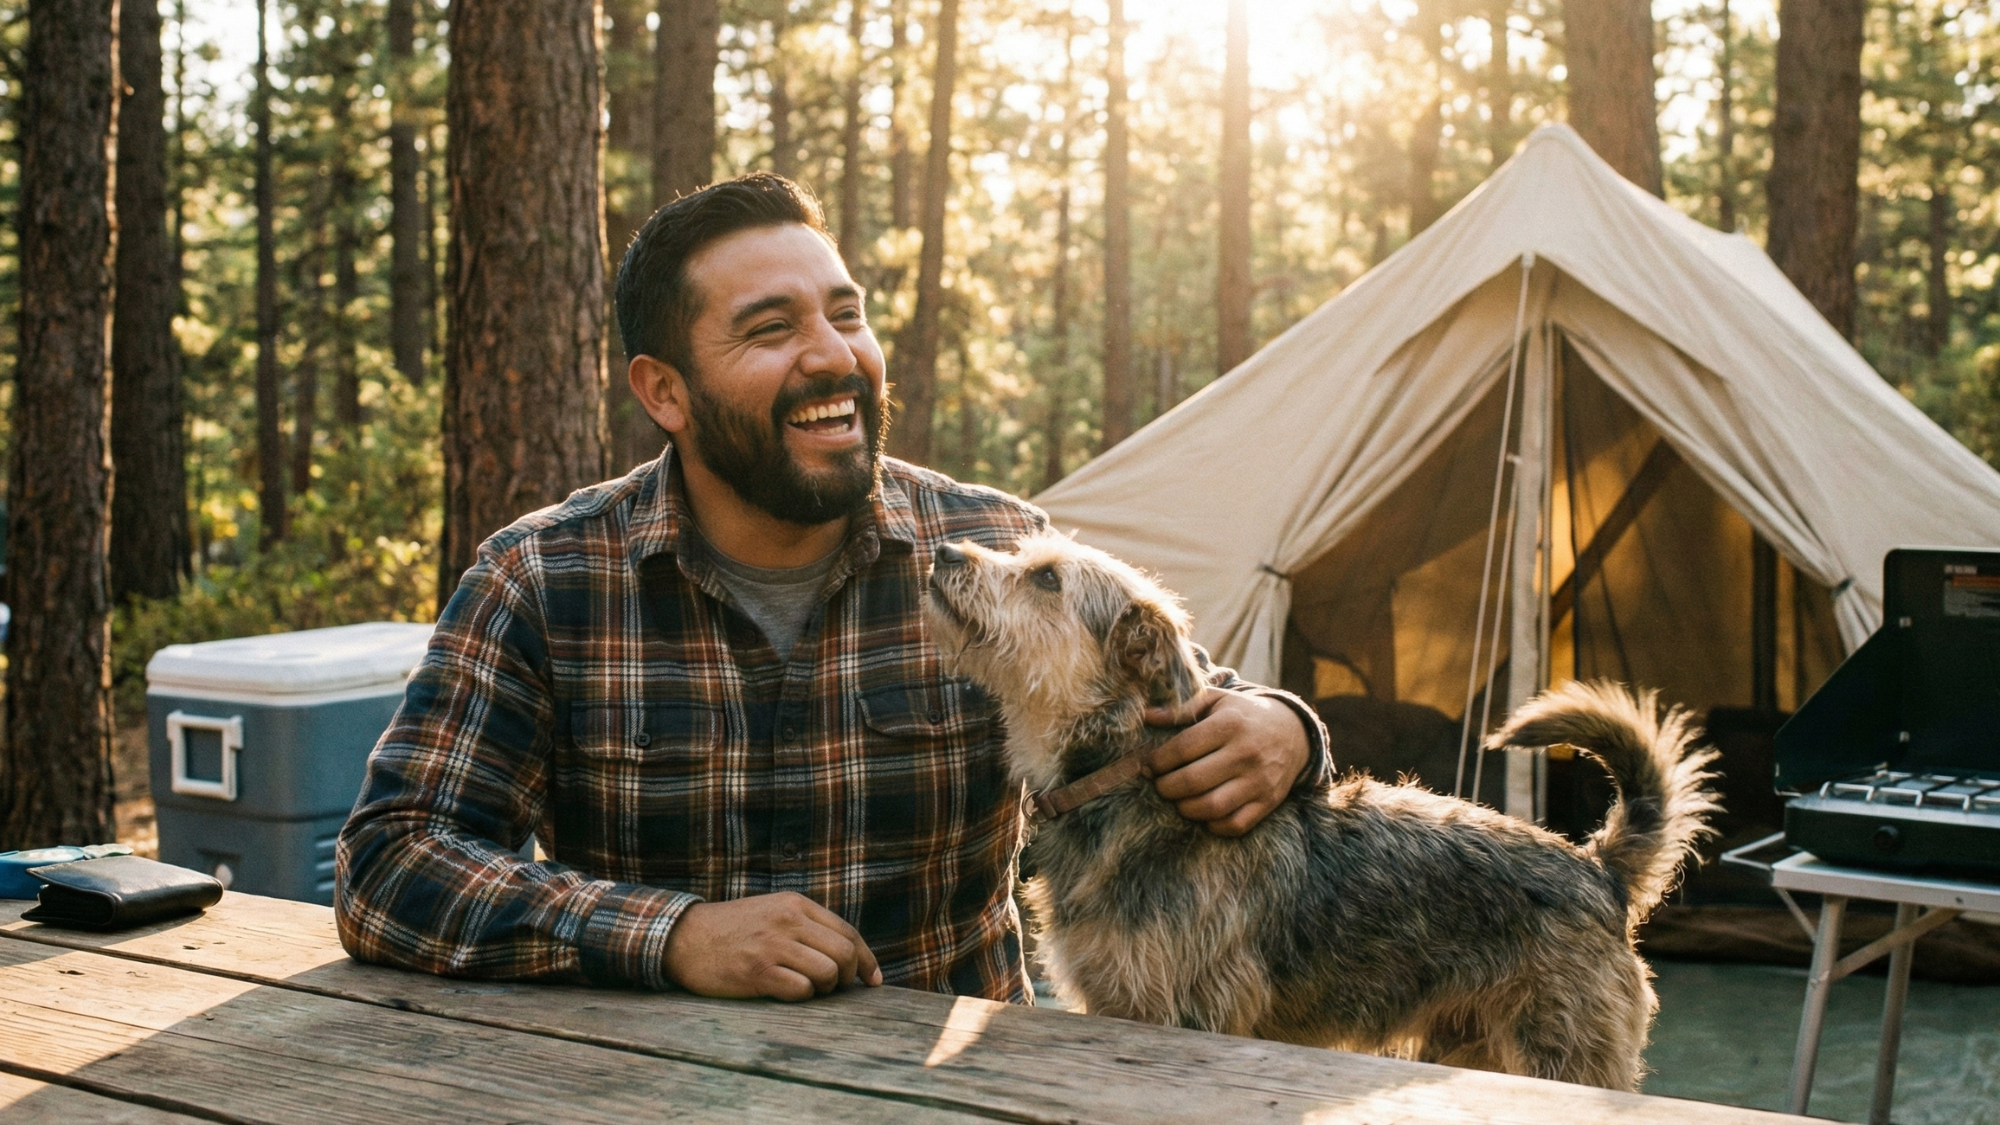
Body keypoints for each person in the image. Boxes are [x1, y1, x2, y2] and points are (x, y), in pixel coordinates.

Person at [335, 173, 1329, 1004]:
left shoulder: (987, 551)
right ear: (664, 391)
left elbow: (1181, 701)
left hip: (963, 1098)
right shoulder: (543, 583)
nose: (833, 355)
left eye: (844, 315)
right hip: (642, 1089)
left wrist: (1284, 733)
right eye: (771, 329)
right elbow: (391, 863)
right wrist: (669, 935)